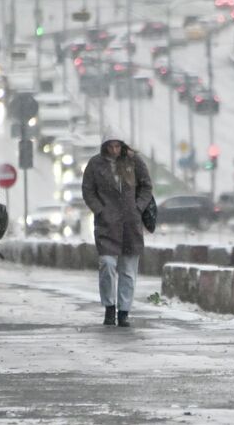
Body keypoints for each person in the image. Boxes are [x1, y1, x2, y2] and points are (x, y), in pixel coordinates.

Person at [82, 130, 152, 327]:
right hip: (106, 224)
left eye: (117, 146)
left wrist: (138, 207)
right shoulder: (95, 164)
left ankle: (123, 312)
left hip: (131, 224)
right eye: (110, 146)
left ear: (122, 146)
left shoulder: (133, 162)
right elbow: (88, 190)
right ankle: (109, 307)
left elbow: (147, 186)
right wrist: (99, 209)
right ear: (105, 147)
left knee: (129, 270)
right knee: (107, 264)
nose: (114, 150)